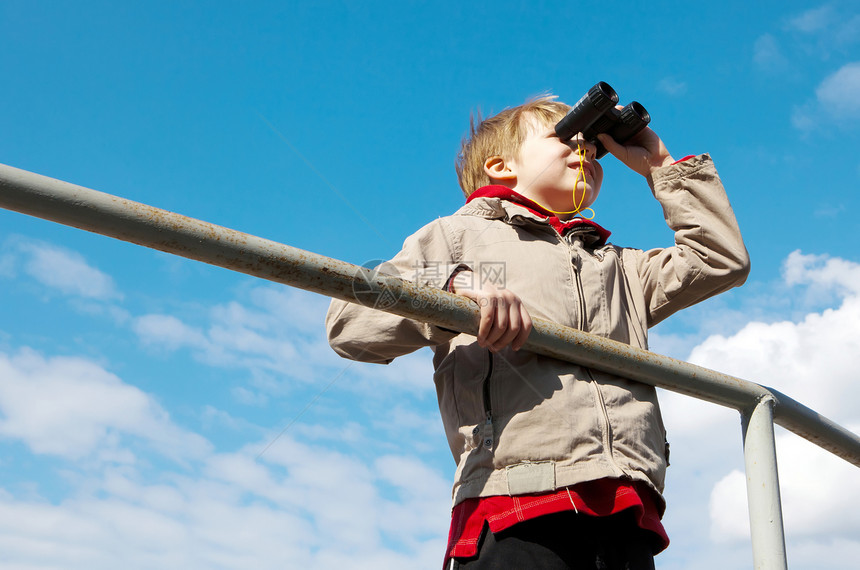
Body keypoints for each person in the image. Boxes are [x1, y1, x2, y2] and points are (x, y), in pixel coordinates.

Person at [325, 94, 750, 569]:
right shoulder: (457, 236)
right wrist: (454, 285)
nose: (585, 151)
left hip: (626, 504)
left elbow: (719, 261)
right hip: (515, 500)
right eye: (565, 137)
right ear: (500, 165)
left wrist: (661, 165)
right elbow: (349, 321)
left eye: (593, 147)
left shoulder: (617, 266)